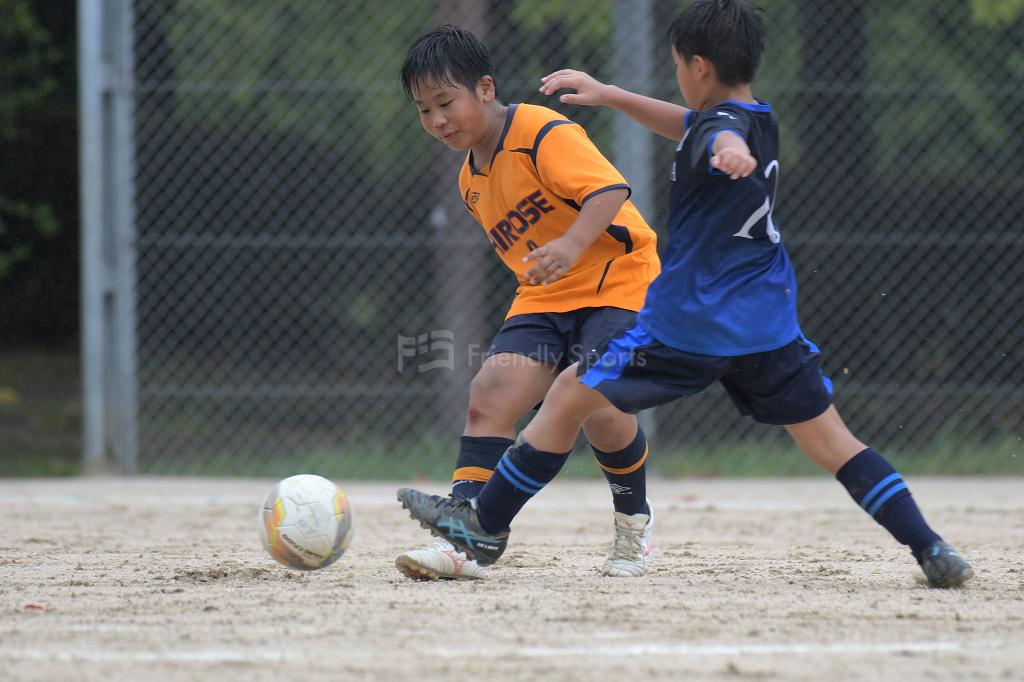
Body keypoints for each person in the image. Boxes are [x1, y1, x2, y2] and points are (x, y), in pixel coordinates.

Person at [397, 1, 974, 589]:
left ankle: (485, 527)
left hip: (688, 321)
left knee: (572, 394)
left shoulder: (720, 132)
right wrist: (615, 96)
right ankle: (931, 547)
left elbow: (712, 132)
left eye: (676, 64)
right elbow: (695, 123)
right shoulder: (758, 117)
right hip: (765, 323)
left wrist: (726, 148)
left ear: (697, 68)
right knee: (834, 444)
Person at [394, 25, 662, 580]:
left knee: (600, 409)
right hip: (548, 296)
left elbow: (609, 191)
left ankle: (633, 525)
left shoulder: (538, 128)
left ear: (485, 89)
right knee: (490, 390)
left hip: (620, 280)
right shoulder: (470, 179)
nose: (437, 120)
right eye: (424, 111)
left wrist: (569, 245)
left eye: (446, 102)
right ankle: (464, 538)